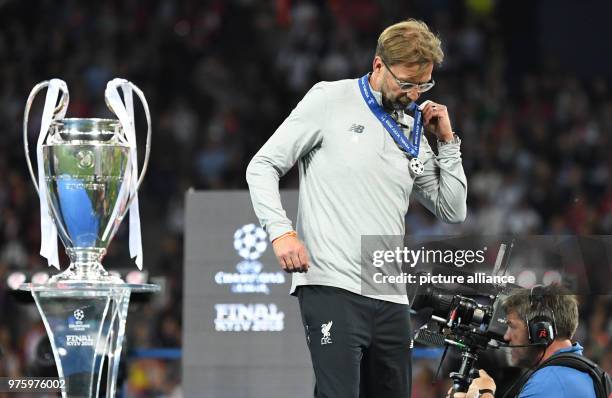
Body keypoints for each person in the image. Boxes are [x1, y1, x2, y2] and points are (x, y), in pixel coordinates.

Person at [246, 18, 467, 397]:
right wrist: (281, 231)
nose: (415, 95)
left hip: (389, 292)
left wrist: (447, 141)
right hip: (331, 284)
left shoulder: (411, 127)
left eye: (424, 85)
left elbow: (453, 208)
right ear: (378, 65)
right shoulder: (329, 99)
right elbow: (262, 166)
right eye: (407, 83)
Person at [450, 284, 598, 398]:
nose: (506, 337)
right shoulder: (579, 372)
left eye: (512, 327)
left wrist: (486, 394)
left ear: (540, 330)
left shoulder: (549, 382)